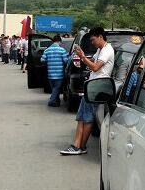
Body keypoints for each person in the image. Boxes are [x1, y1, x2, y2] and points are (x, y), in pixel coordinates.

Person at [60, 27, 114, 155]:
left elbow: (95, 67)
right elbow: (93, 61)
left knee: (85, 118)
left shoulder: (107, 50)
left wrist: (83, 57)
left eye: (93, 40)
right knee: (84, 117)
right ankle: (79, 146)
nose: (92, 42)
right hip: (93, 86)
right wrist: (83, 55)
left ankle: (78, 146)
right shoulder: (101, 49)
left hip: (96, 88)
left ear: (100, 37)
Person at [40, 35, 69, 107]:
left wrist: (49, 61)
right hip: (59, 73)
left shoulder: (47, 50)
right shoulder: (62, 50)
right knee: (57, 88)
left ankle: (57, 102)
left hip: (50, 73)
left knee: (54, 89)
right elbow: (66, 61)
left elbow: (42, 60)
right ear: (59, 41)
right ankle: (52, 101)